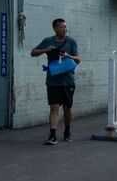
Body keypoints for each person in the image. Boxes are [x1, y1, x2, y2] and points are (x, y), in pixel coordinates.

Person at [31, 17, 81, 145]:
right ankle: (53, 135)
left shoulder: (71, 42)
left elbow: (78, 59)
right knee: (54, 107)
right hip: (53, 80)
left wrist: (68, 56)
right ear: (55, 28)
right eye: (61, 27)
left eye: (65, 27)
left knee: (67, 108)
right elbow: (33, 52)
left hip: (68, 81)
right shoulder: (48, 41)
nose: (64, 29)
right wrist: (46, 50)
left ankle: (67, 130)